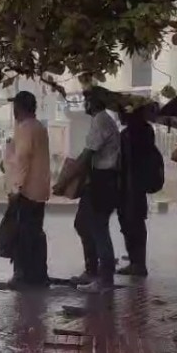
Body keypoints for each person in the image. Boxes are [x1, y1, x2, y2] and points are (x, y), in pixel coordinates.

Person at [74, 91, 122, 293]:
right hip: (100, 179)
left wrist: (70, 176)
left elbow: (88, 153)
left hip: (103, 180)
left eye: (87, 100)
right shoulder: (102, 120)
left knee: (98, 228)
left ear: (93, 102)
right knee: (83, 223)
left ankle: (104, 277)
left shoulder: (101, 121)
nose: (85, 103)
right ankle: (93, 270)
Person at [4, 91, 51, 288]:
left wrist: (16, 188)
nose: (13, 110)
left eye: (15, 106)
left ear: (21, 108)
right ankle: (38, 274)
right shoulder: (39, 127)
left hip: (26, 189)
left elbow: (22, 160)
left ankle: (22, 276)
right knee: (35, 232)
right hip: (39, 189)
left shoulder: (25, 128)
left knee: (22, 233)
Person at [117, 104, 157, 277]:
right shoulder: (147, 131)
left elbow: (125, 163)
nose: (120, 116)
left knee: (130, 225)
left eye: (122, 112)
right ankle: (137, 261)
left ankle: (137, 263)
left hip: (129, 187)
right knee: (136, 224)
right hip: (138, 187)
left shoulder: (129, 134)